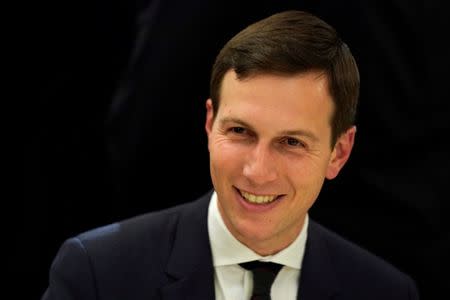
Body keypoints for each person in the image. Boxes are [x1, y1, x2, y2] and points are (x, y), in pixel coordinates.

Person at [41, 10, 420, 300]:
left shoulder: (384, 291)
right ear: (210, 124)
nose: (257, 172)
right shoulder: (96, 273)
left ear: (339, 152)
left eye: (291, 143)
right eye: (240, 132)